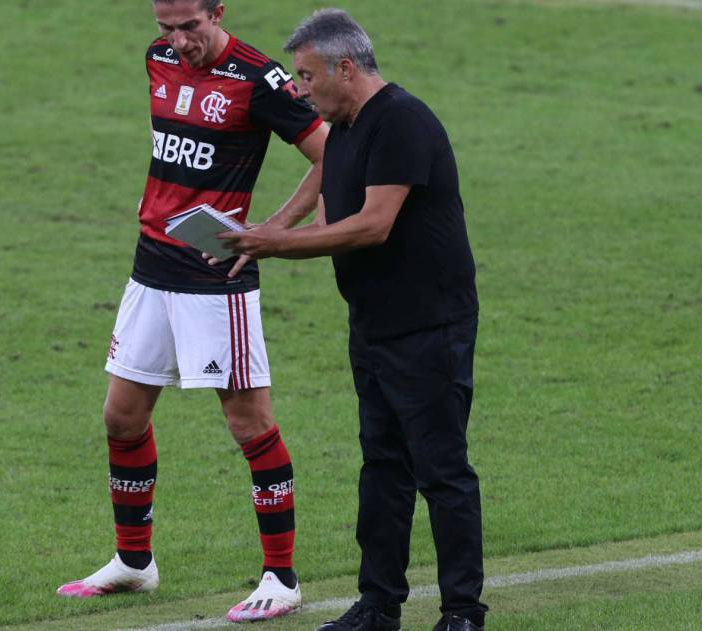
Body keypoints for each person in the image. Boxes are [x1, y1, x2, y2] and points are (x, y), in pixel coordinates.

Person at [213, 8, 488, 631]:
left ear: (346, 67)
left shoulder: (402, 122)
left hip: (430, 326)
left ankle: (463, 612)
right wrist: (263, 231)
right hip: (373, 325)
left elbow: (371, 225)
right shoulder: (343, 129)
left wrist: (273, 245)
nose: (301, 91)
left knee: (442, 471)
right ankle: (378, 605)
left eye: (307, 77)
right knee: (383, 468)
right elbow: (326, 209)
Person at [55, 0, 328, 623]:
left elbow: (332, 152)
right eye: (166, 29)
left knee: (249, 425)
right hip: (150, 265)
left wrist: (273, 231)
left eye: (190, 28)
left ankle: (281, 578)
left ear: (218, 13)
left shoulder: (258, 80)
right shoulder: (156, 60)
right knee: (121, 418)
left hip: (214, 277)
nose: (178, 42)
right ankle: (133, 563)